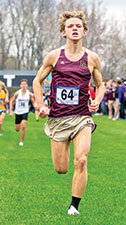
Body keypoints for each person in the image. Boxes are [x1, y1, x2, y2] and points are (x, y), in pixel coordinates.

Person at [33, 11, 105, 215]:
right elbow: (37, 81)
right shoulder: (54, 56)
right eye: (70, 26)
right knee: (61, 169)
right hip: (58, 118)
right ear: (63, 32)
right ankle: (71, 195)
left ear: (84, 31)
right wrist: (41, 105)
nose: (75, 28)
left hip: (82, 117)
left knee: (81, 159)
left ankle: (74, 206)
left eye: (78, 26)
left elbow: (100, 86)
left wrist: (97, 101)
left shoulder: (92, 58)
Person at [9, 79, 36, 146]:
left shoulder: (29, 94)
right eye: (22, 84)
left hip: (25, 112)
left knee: (23, 126)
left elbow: (33, 101)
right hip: (17, 112)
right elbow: (11, 101)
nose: (23, 86)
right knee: (17, 129)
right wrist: (11, 111)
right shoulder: (17, 93)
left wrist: (36, 106)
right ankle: (18, 128)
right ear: (20, 85)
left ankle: (21, 141)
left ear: (27, 85)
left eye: (25, 84)